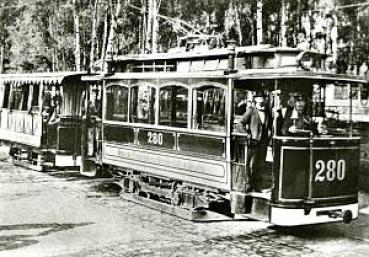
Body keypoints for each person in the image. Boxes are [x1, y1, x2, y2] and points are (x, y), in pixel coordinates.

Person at [236, 94, 272, 192]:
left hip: (263, 143)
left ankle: (258, 186)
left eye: (263, 98)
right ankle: (248, 185)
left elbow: (268, 126)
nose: (261, 99)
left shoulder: (267, 112)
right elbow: (240, 124)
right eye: (259, 98)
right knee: (250, 165)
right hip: (254, 142)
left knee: (260, 165)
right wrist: (247, 135)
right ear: (255, 99)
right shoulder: (251, 111)